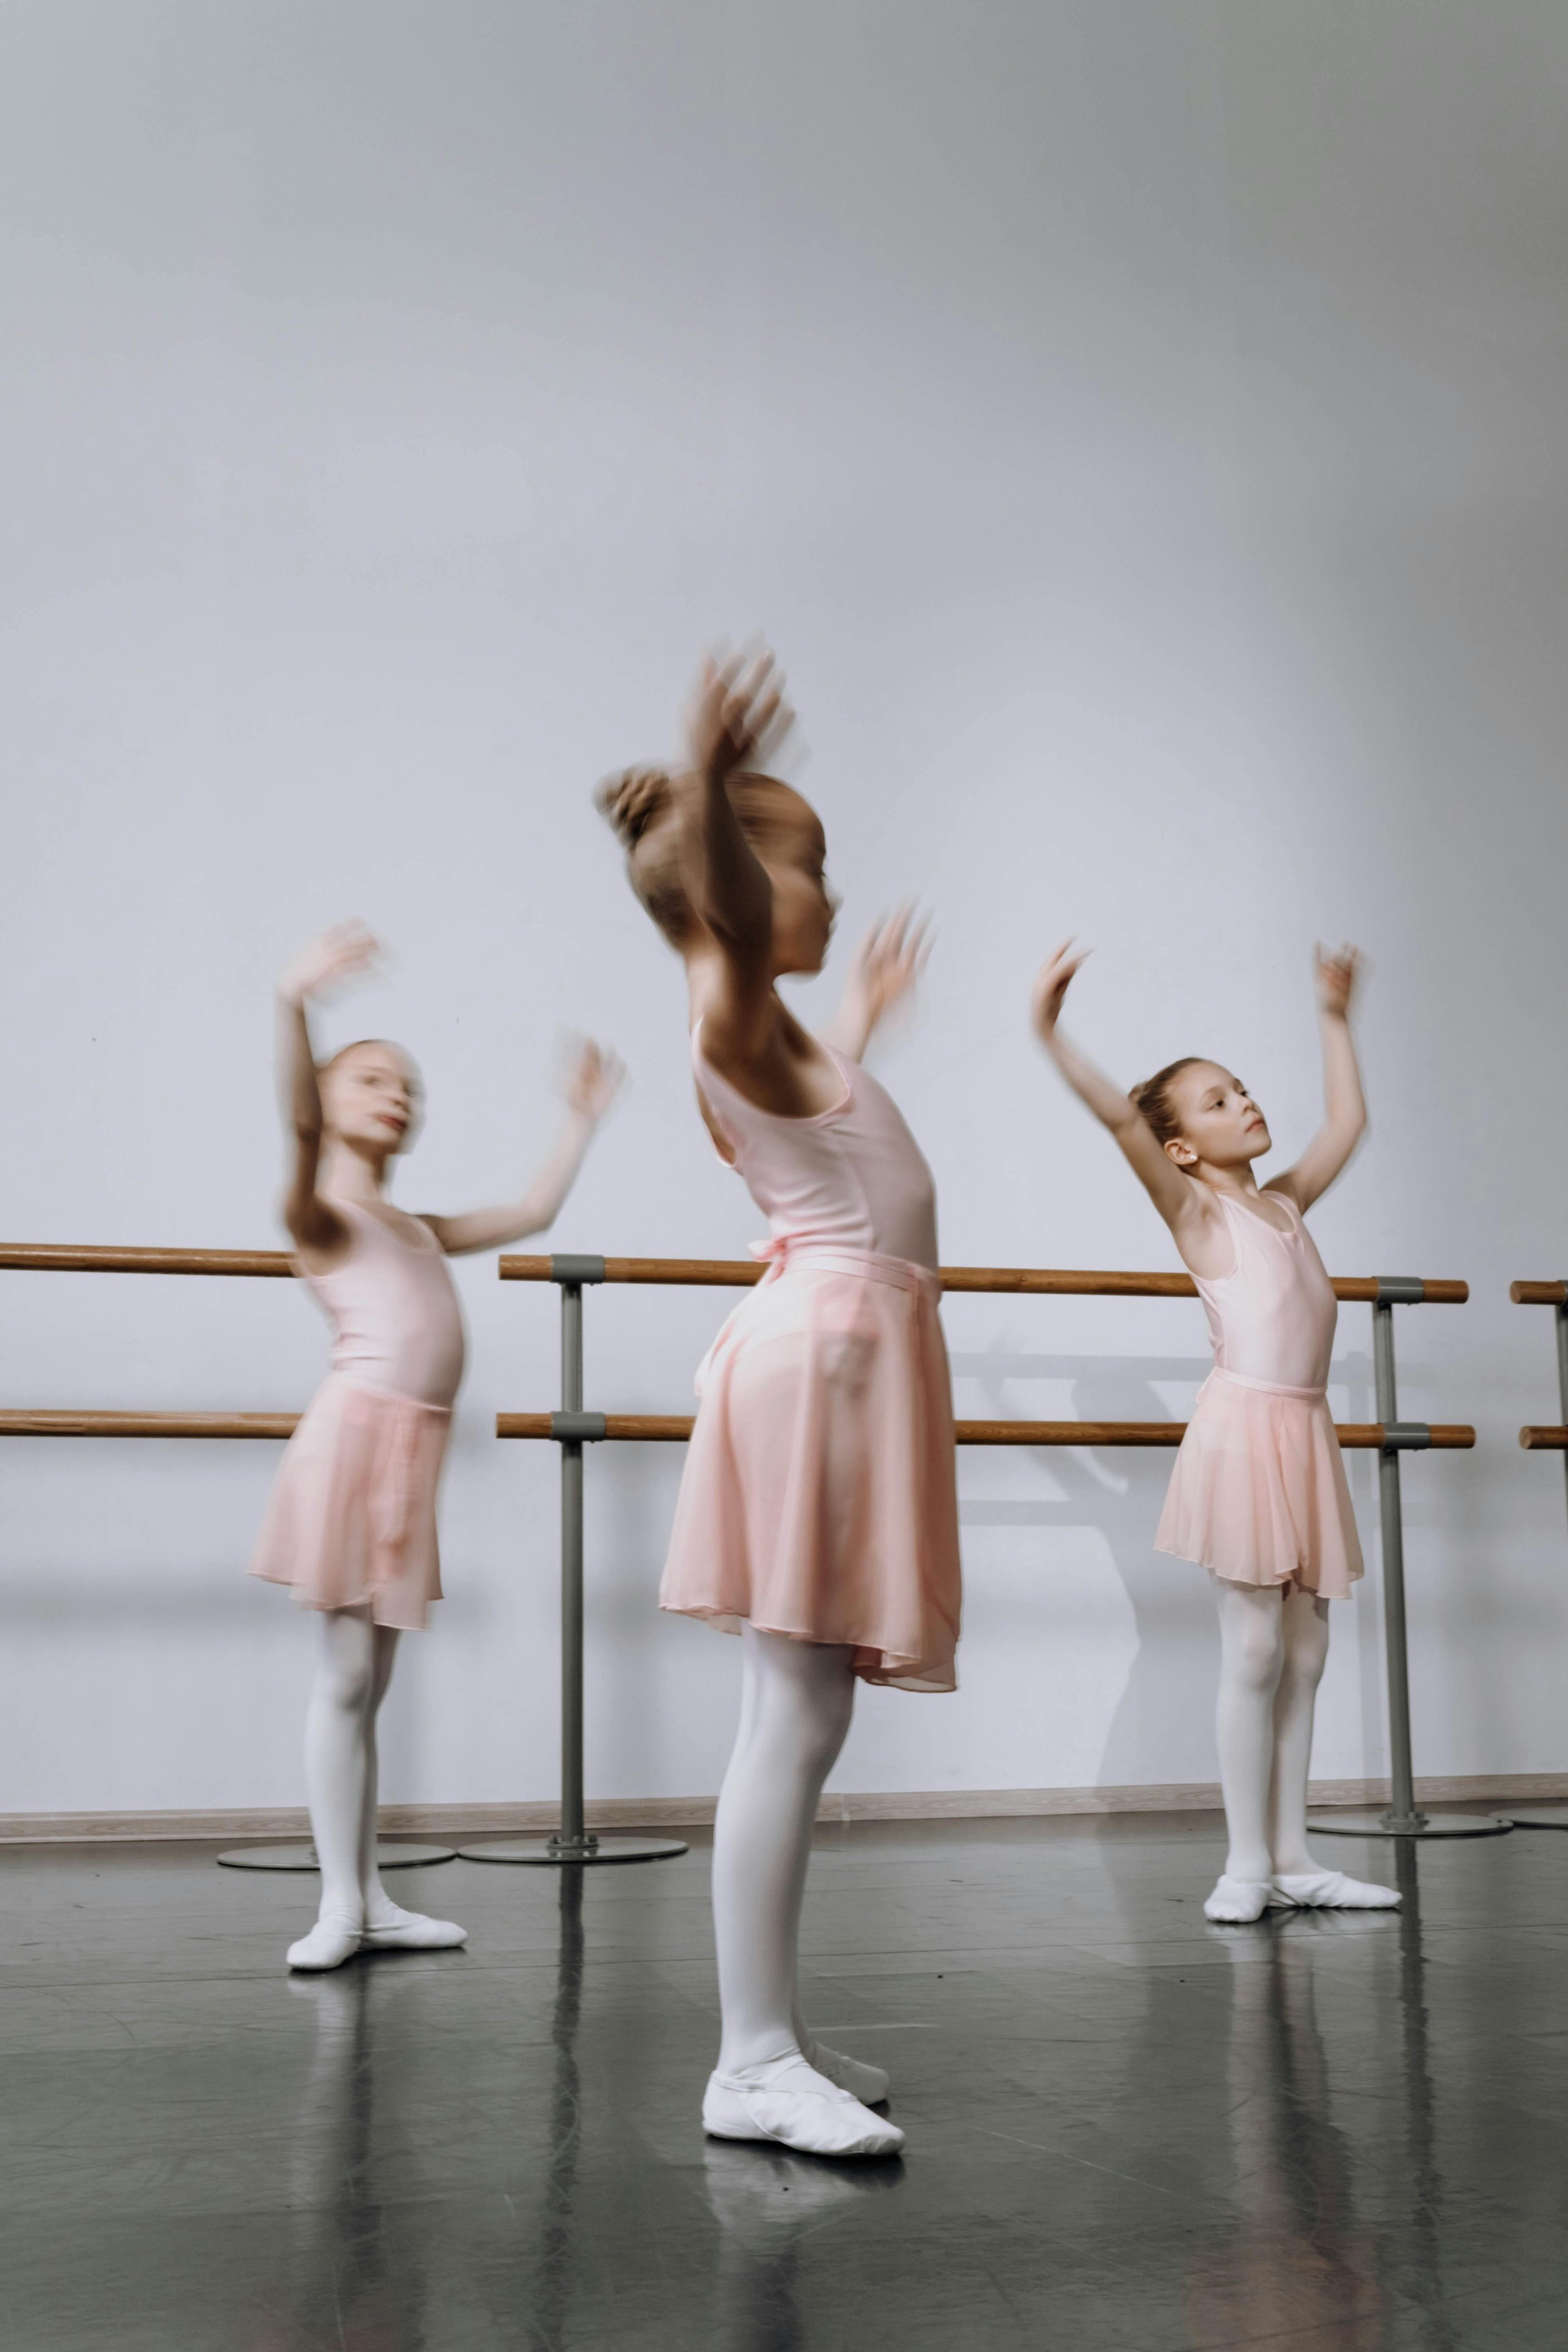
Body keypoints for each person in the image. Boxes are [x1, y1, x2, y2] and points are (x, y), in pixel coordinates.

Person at [598, 650, 960, 2156]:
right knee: (794, 1717)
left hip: (845, 1358)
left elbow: (824, 1133)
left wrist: (867, 1015)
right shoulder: (725, 1007)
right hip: (819, 1363)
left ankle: (773, 2034)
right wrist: (700, 756)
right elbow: (734, 936)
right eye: (805, 866)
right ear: (734, 894)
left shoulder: (784, 1039)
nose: (821, 891)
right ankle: (748, 2062)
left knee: (795, 1717)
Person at [252, 920, 622, 1971]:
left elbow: (535, 1207)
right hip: (352, 1446)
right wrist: (294, 1002)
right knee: (342, 1681)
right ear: (325, 1102)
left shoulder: (415, 1223)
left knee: (372, 1685)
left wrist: (579, 1118)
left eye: (409, 1083)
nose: (397, 1093)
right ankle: (336, 1904)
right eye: (371, 1077)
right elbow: (289, 1119)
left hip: (413, 1457)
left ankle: (369, 1894)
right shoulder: (317, 1209)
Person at [1032, 939, 1397, 1924]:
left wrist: (1332, 1016)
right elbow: (1119, 1117)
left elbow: (1348, 1119)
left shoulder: (1285, 1201)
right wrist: (1051, 1032)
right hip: (1244, 1431)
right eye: (1217, 1099)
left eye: (1240, 1087)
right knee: (1252, 1650)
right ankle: (1243, 1863)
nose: (1243, 1102)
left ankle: (1294, 1853)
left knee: (1308, 1651)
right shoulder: (1195, 1211)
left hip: (1306, 1432)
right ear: (1183, 1146)